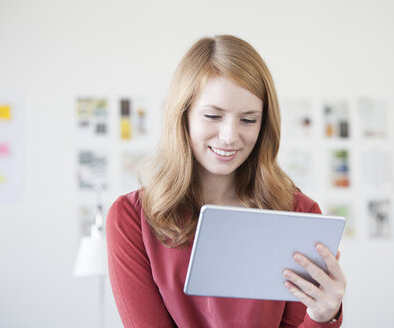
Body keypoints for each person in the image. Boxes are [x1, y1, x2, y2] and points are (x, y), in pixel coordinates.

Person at [106, 35, 346, 328]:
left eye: (248, 120)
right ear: (183, 116)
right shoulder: (132, 218)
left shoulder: (298, 213)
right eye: (213, 116)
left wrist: (323, 318)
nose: (230, 136)